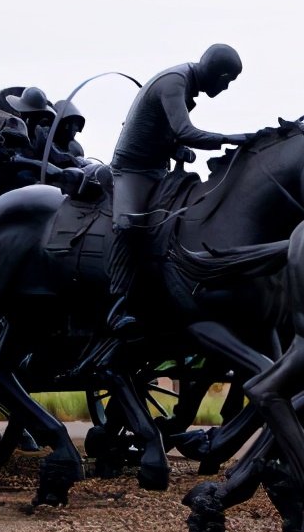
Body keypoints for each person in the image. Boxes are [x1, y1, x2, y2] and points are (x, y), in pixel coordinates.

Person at [107, 43, 250, 332]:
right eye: (227, 81)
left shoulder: (186, 86)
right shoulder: (174, 82)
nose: (226, 88)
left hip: (158, 169)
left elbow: (169, 133)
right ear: (218, 75)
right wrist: (231, 137)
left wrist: (176, 149)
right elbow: (185, 130)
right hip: (133, 170)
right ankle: (118, 305)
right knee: (128, 225)